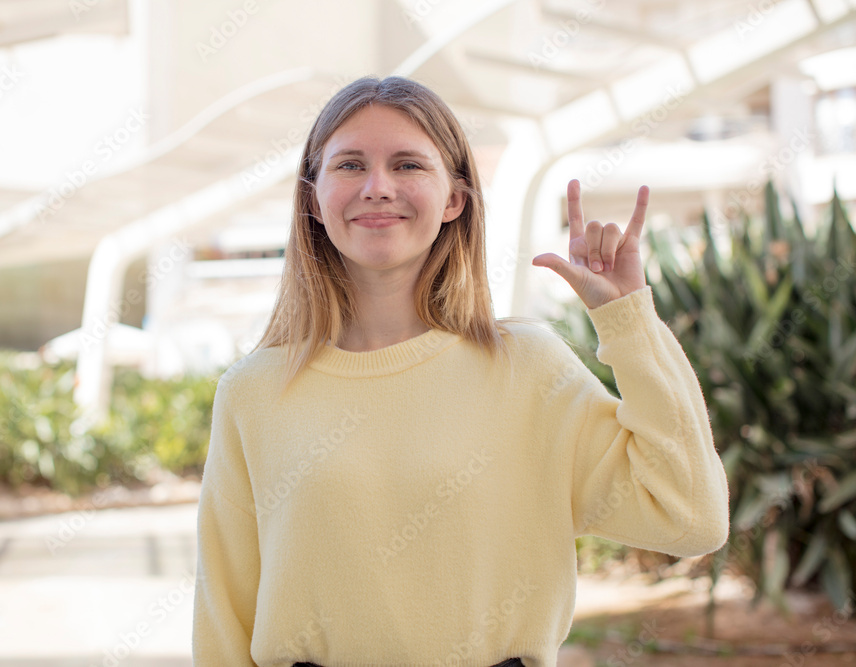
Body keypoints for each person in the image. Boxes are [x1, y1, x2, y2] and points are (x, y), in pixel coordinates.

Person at [191, 75, 730, 667]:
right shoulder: (253, 393)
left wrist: (626, 318)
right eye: (349, 165)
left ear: (454, 199)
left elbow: (691, 517)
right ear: (312, 200)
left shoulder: (527, 368)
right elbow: (224, 618)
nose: (377, 187)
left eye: (408, 165)